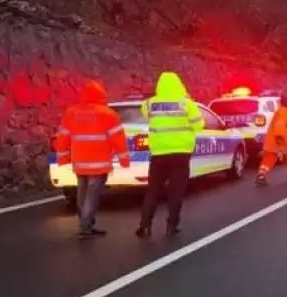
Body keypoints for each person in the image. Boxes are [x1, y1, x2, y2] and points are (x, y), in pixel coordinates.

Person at [55, 80, 130, 237]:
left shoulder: (72, 113)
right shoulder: (107, 114)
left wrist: (62, 158)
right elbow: (118, 139)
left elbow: (62, 137)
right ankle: (86, 226)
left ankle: (85, 222)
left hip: (79, 162)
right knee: (92, 195)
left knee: (82, 193)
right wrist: (124, 160)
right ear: (101, 95)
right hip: (99, 163)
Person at [135, 72, 203, 239]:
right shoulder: (187, 103)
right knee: (176, 191)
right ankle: (171, 226)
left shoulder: (150, 104)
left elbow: (145, 115)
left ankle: (144, 226)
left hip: (159, 153)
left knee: (153, 190)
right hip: (181, 153)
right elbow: (199, 125)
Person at [257, 95, 287, 185]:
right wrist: (280, 138)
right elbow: (280, 126)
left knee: (270, 158)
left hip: (276, 139)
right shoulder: (284, 112)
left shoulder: (285, 111)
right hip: (281, 139)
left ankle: (261, 175)